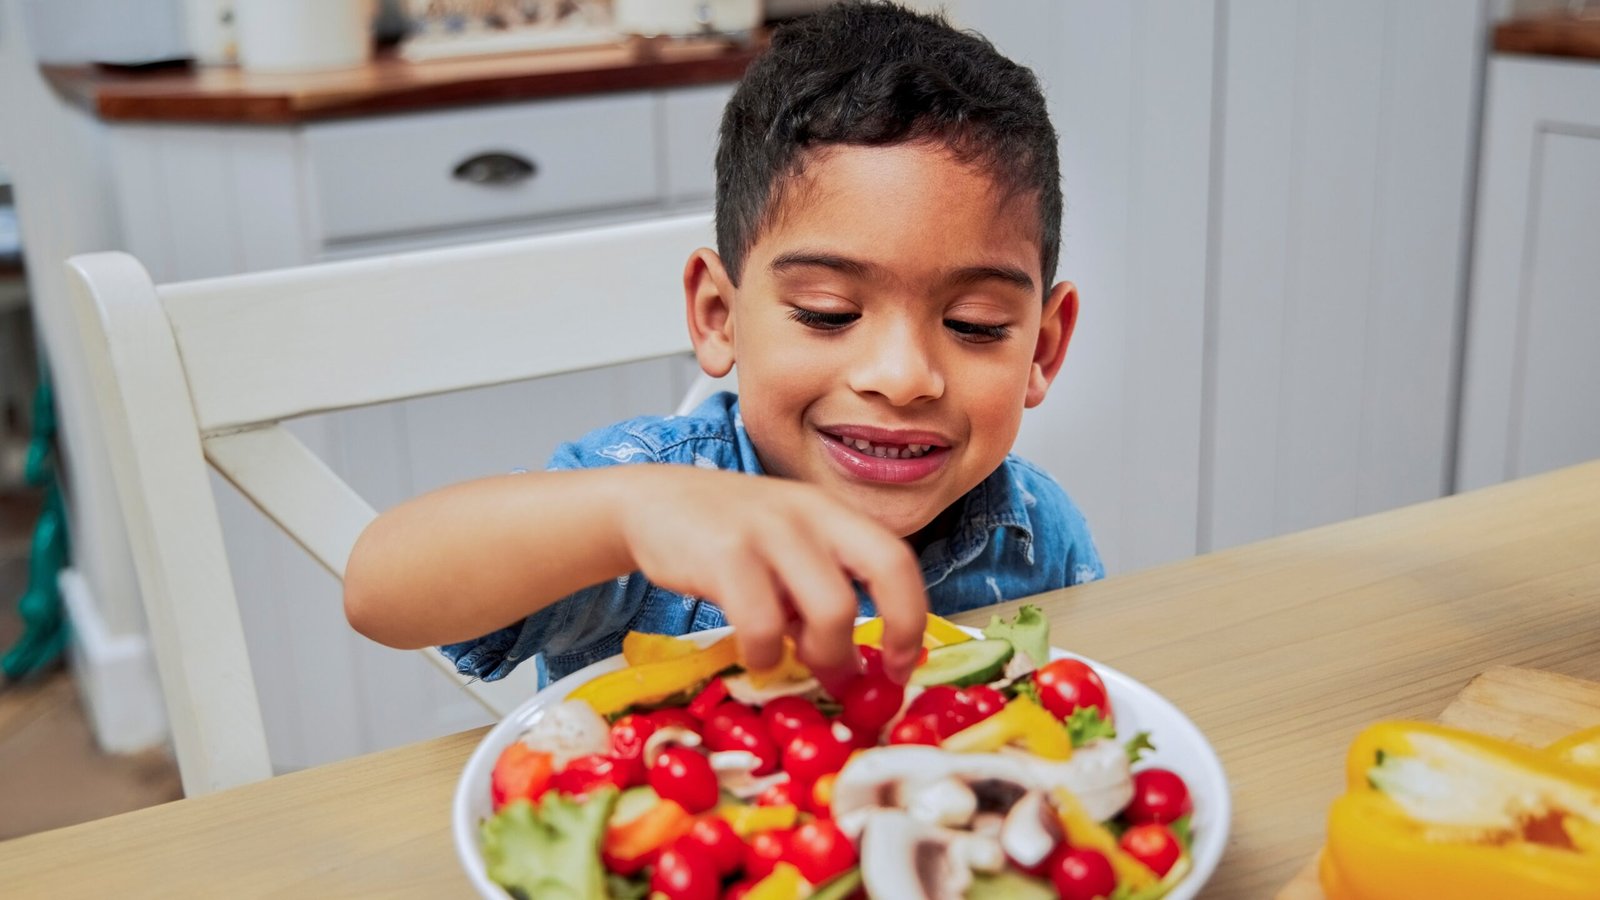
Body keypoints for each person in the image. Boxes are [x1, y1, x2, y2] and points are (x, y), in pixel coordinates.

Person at [343, 0, 1103, 694]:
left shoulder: (1038, 530)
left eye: (974, 324)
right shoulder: (652, 511)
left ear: (1042, 345)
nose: (903, 378)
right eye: (828, 312)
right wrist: (623, 518)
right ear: (718, 314)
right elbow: (380, 591)